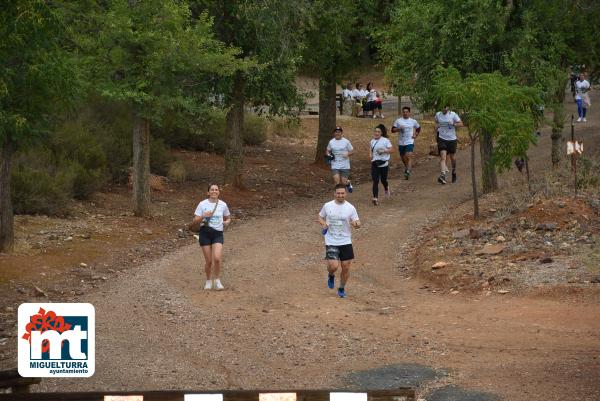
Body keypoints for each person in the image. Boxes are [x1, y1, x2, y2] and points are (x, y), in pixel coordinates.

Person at [318, 184, 361, 298]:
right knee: (333, 266)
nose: (340, 195)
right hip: (331, 240)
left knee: (346, 267)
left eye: (342, 193)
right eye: (338, 193)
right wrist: (324, 224)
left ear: (346, 194)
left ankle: (341, 288)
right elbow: (320, 216)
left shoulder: (350, 208)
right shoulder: (327, 205)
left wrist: (356, 224)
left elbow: (357, 223)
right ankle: (331, 275)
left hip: (345, 240)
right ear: (334, 193)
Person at [191, 184, 231, 290]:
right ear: (208, 192)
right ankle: (208, 281)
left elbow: (228, 218)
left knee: (217, 258)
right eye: (212, 190)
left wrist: (226, 222)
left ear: (219, 192)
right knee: (208, 261)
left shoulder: (223, 204)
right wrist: (203, 216)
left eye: (216, 190)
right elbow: (195, 221)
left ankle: (217, 281)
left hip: (218, 233)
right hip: (205, 233)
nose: (214, 191)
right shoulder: (202, 204)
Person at [435, 105, 463, 184]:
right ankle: (442, 175)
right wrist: (436, 127)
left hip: (452, 139)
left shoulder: (453, 114)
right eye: (442, 107)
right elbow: (436, 123)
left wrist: (454, 124)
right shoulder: (438, 114)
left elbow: (461, 124)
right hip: (442, 138)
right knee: (443, 157)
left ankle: (454, 171)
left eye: (445, 107)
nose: (444, 109)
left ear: (448, 107)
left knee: (452, 157)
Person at [391, 106, 421, 179]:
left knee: (408, 156)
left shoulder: (413, 121)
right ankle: (407, 167)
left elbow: (418, 128)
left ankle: (407, 171)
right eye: (404, 112)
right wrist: (398, 129)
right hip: (401, 142)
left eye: (406, 112)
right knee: (403, 157)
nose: (405, 113)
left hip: (410, 141)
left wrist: (415, 135)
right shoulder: (398, 121)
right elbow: (392, 130)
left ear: (409, 113)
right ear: (402, 113)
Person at [369, 124, 393, 205]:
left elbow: (392, 150)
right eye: (375, 131)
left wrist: (383, 151)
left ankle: (386, 187)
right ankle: (375, 198)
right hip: (375, 163)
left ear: (381, 133)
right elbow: (370, 149)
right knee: (375, 181)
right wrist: (370, 155)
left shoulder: (385, 140)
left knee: (383, 180)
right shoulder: (372, 141)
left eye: (378, 132)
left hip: (383, 164)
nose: (376, 133)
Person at [326, 126, 354, 192]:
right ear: (334, 133)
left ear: (341, 133)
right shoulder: (331, 142)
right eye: (336, 132)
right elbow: (327, 150)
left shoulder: (346, 142)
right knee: (336, 181)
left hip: (345, 164)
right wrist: (329, 155)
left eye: (339, 132)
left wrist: (348, 154)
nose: (337, 133)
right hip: (335, 163)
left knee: (344, 182)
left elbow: (352, 151)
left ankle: (348, 183)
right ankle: (338, 194)